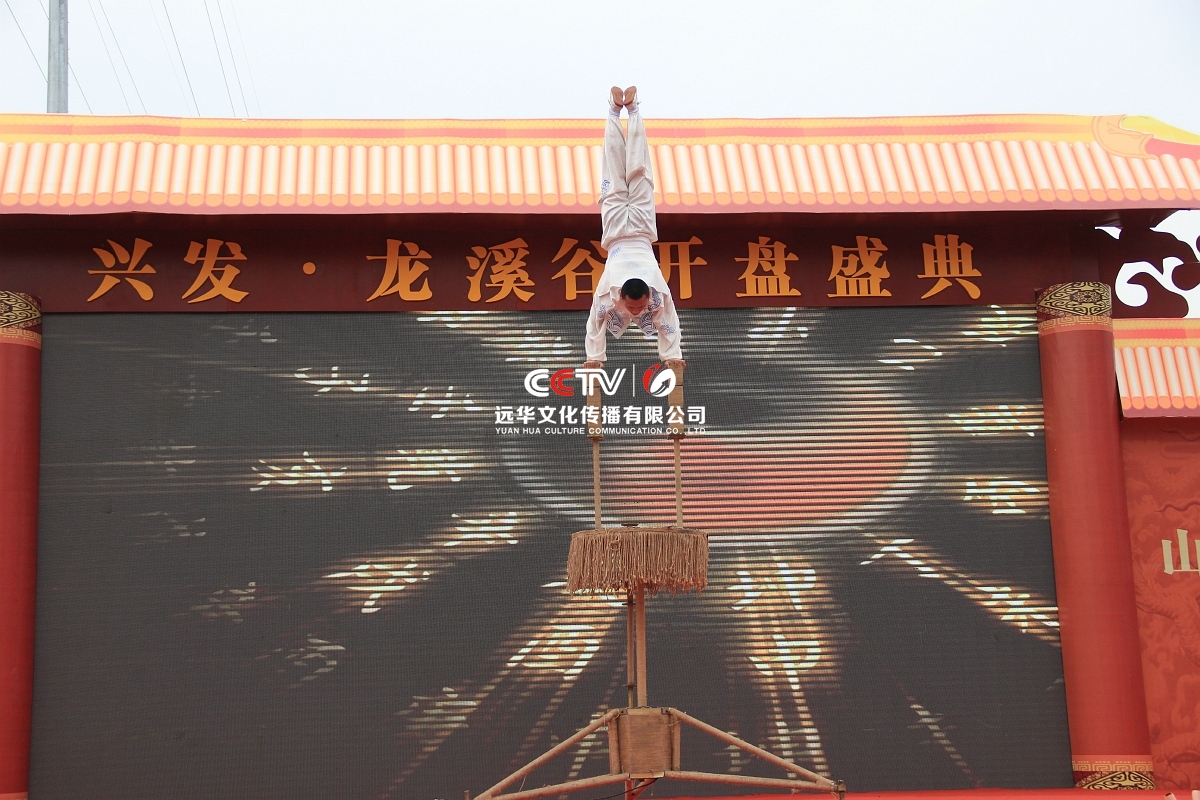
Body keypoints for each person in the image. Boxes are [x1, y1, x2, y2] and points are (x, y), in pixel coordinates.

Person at [583, 86, 684, 369]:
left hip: (615, 228)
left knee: (612, 173)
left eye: (638, 307)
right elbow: (596, 323)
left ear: (649, 295)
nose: (637, 310)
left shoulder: (631, 292)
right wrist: (594, 358)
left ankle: (617, 110)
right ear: (621, 297)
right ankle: (630, 109)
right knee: (640, 171)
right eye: (633, 306)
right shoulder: (626, 292)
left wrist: (672, 357)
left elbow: (595, 322)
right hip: (640, 227)